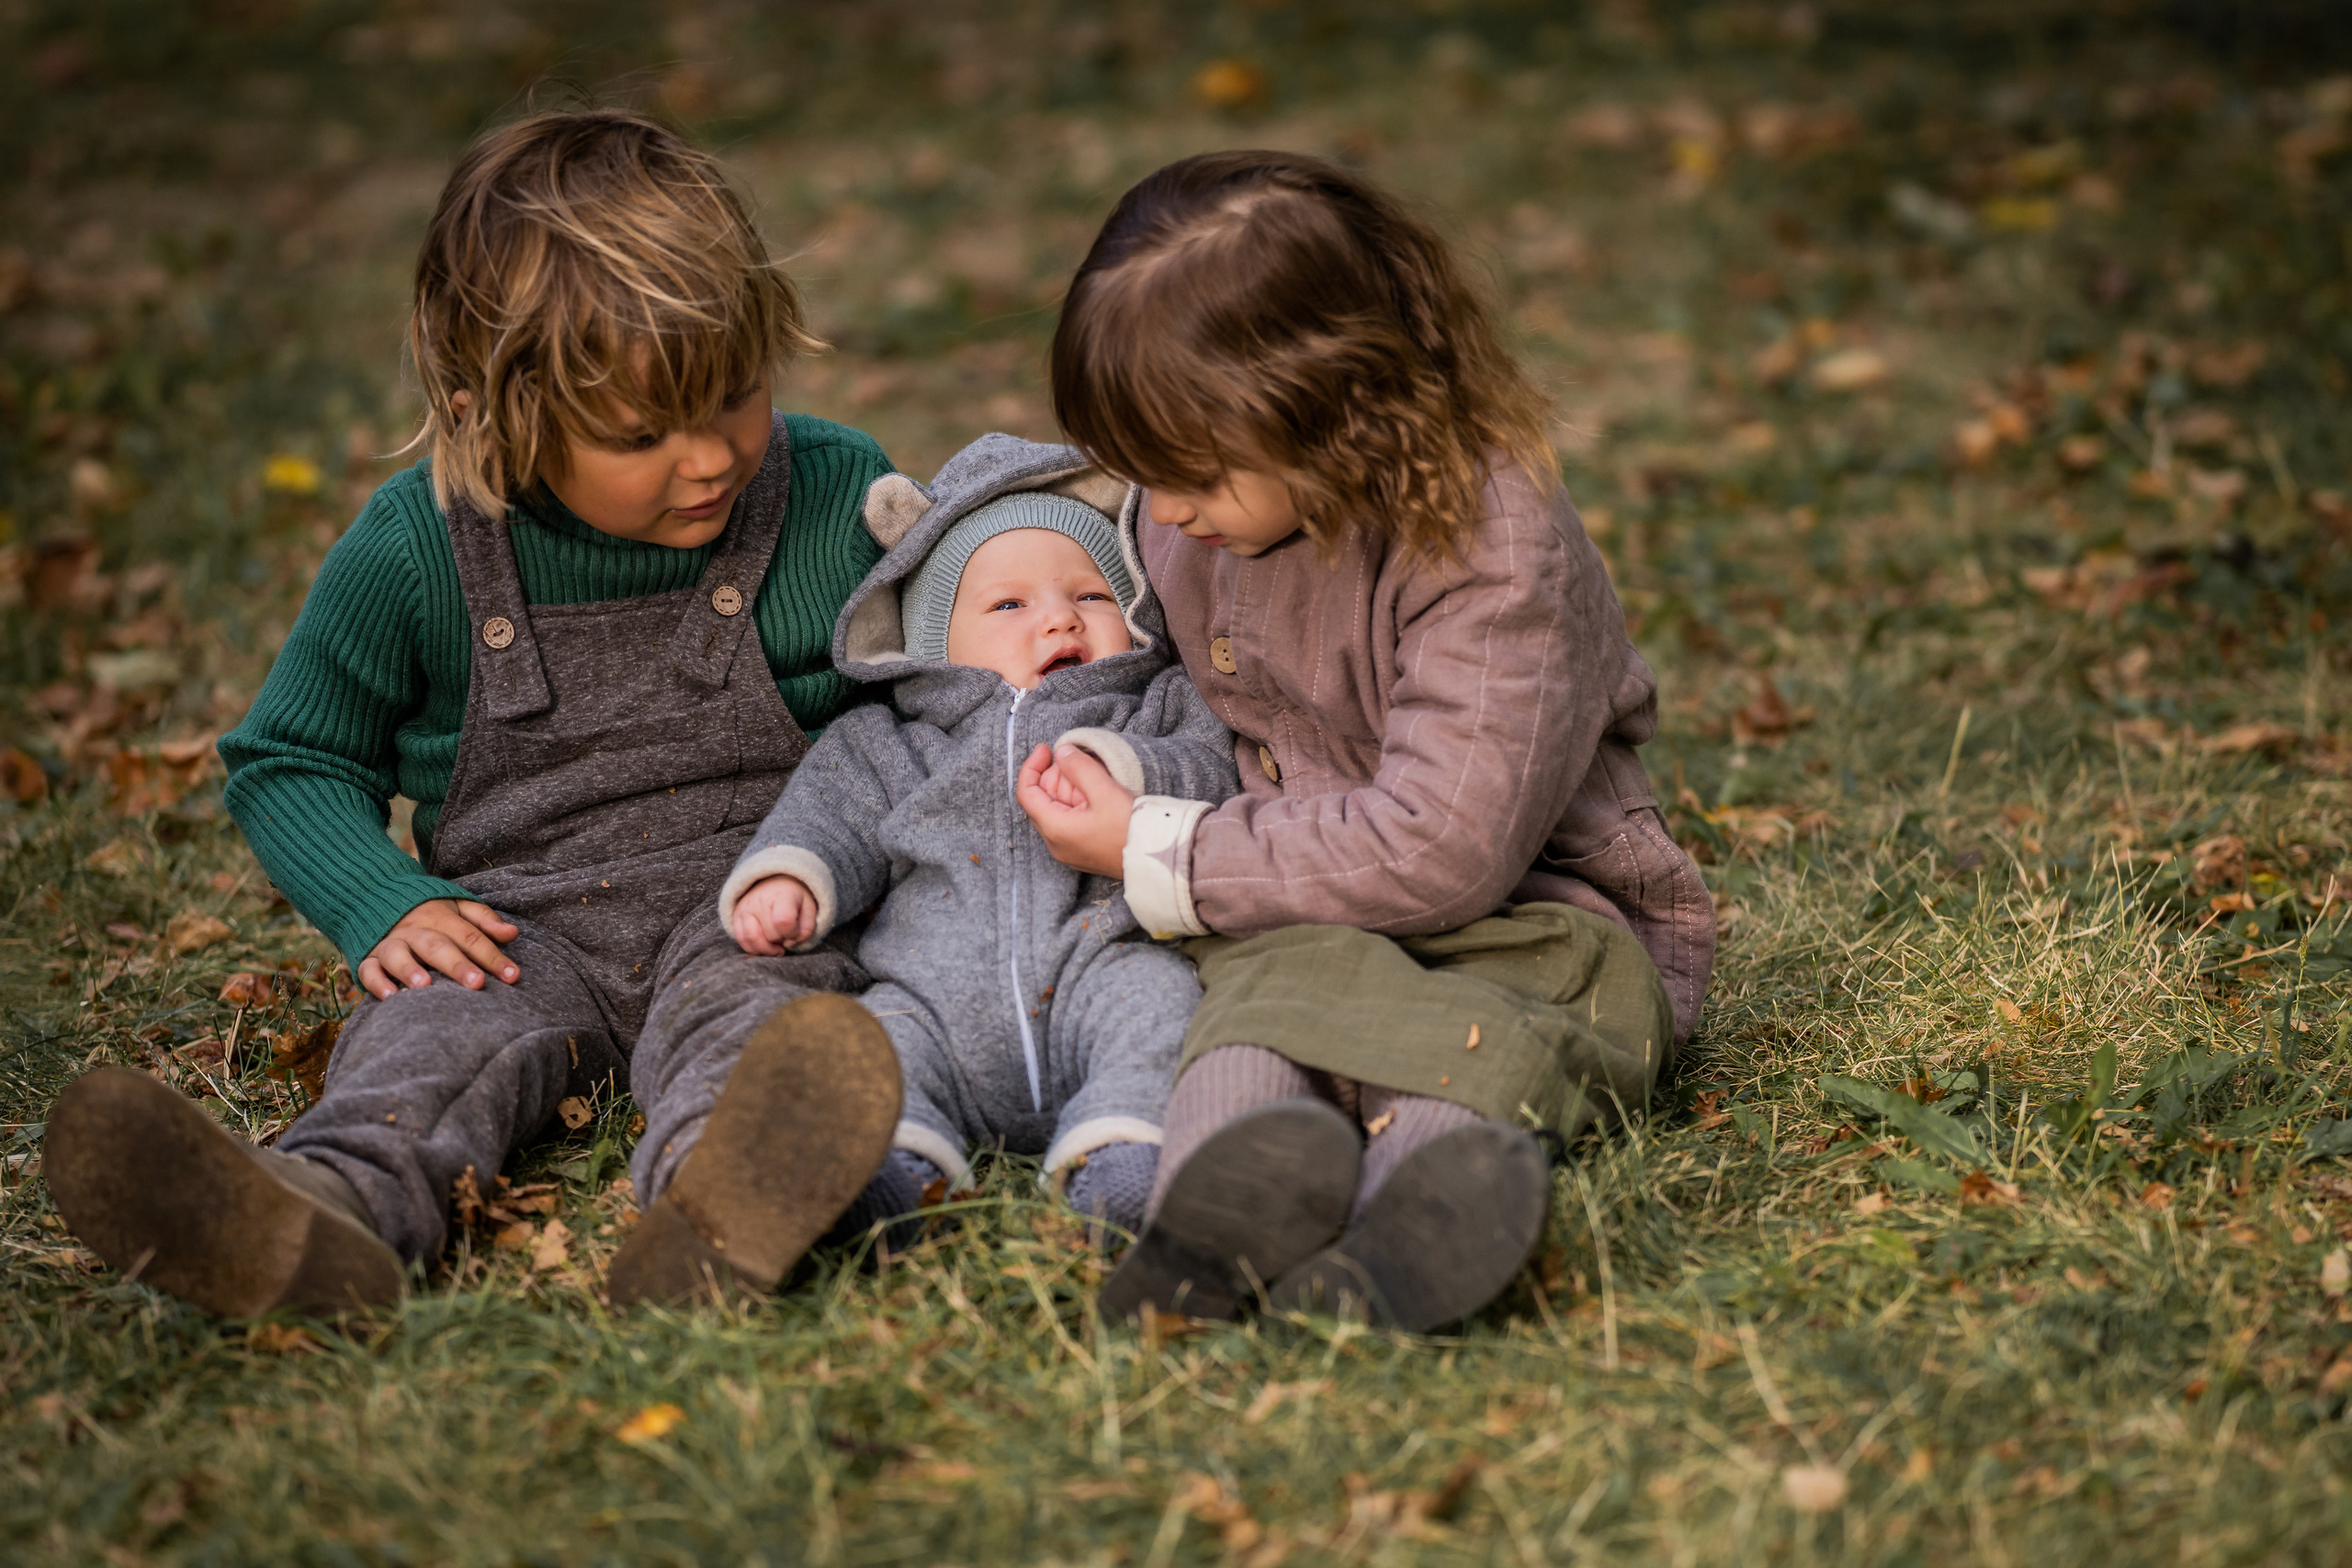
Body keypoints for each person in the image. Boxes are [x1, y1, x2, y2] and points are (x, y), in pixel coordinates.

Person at [45, 108, 907, 1315]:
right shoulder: (415, 550)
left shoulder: (834, 495)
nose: (710, 458)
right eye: (641, 433)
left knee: (764, 1041)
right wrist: (380, 897)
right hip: (519, 936)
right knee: (426, 1048)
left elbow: (939, 693)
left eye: (735, 396)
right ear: (483, 411)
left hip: (760, 908)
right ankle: (322, 1215)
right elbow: (290, 756)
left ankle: (721, 1215)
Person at [1016, 150, 1716, 1332]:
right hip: (1299, 902)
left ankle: (1416, 1226)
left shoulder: (1492, 549)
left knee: (1477, 1042)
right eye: (1146, 471)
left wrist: (1165, 846)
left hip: (1532, 917)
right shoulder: (1201, 513)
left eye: (1191, 474)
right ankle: (1215, 1218)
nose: (1164, 508)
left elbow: (1446, 847)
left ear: (1343, 407)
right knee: (1256, 1009)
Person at [722, 435, 1238, 1251]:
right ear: (934, 645)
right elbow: (829, 813)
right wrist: (791, 877)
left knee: (1163, 1013)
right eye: (1009, 606)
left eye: (1094, 594)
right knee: (876, 1049)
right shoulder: (893, 741)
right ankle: (897, 1175)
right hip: (930, 994)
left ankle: (1123, 1159)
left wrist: (1130, 768)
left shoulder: (1155, 705)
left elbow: (1220, 775)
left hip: (1102, 963)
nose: (1061, 617)